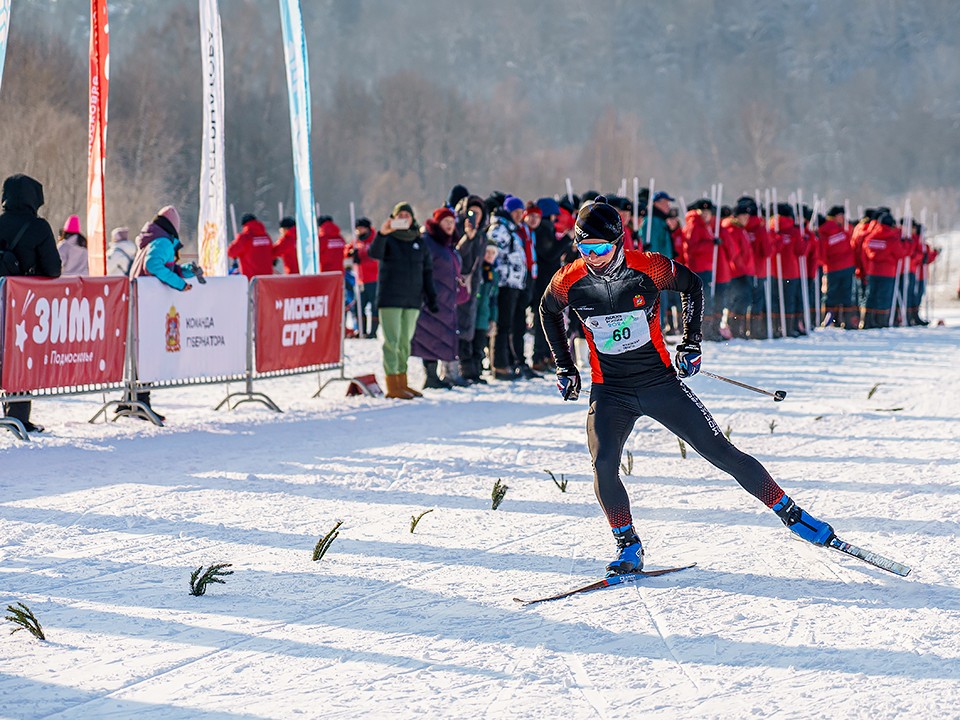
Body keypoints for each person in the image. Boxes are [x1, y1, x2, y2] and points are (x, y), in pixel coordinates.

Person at [539, 196, 836, 577]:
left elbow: (692, 286)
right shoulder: (569, 279)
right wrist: (565, 367)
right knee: (604, 464)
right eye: (585, 248)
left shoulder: (649, 267)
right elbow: (547, 312)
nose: (593, 257)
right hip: (609, 390)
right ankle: (627, 544)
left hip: (658, 382)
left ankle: (793, 514)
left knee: (720, 452)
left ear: (619, 242)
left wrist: (691, 342)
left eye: (601, 248)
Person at [0, 174, 62, 433]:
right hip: (21, 305)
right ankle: (18, 415)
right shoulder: (38, 227)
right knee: (19, 356)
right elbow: (53, 269)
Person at [127, 205, 198, 421]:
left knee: (139, 353)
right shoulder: (164, 242)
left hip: (140, 303)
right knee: (147, 353)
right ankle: (141, 401)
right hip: (148, 305)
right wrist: (179, 284)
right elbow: (153, 266)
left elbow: (163, 266)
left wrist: (186, 271)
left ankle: (132, 399)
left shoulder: (152, 240)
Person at [368, 202, 438, 399]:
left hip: (412, 300)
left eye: (407, 215)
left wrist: (431, 296)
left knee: (405, 342)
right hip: (391, 299)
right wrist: (382, 233)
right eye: (400, 215)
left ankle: (402, 381)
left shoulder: (419, 241)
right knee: (392, 341)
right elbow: (374, 253)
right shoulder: (388, 239)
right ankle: (392, 383)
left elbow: (427, 271)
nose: (404, 218)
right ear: (394, 218)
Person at [411, 207, 462, 389]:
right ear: (437, 223)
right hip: (431, 296)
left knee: (440, 335)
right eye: (445, 222)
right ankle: (430, 376)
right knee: (428, 335)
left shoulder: (446, 243)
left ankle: (437, 375)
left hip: (446, 297)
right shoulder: (429, 241)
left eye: (452, 222)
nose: (449, 226)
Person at [487, 195, 529, 380]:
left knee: (508, 325)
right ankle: (500, 365)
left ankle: (507, 362)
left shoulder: (511, 229)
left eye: (521, 212)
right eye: (516, 212)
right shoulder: (499, 229)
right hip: (504, 283)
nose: (519, 216)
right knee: (502, 325)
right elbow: (493, 253)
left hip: (513, 283)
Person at [454, 196, 488, 382]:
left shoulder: (482, 235)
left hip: (474, 285)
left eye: (478, 212)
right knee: (462, 326)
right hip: (460, 284)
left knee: (472, 326)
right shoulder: (460, 231)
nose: (475, 215)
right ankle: (464, 368)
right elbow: (458, 256)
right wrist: (468, 237)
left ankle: (473, 368)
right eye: (471, 212)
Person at [818, 206, 856, 328]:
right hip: (836, 267)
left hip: (840, 266)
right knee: (838, 293)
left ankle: (837, 320)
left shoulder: (843, 228)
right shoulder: (828, 230)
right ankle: (836, 320)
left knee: (836, 293)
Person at [346, 217, 380, 338]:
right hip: (360, 279)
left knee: (374, 306)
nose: (359, 231)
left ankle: (373, 332)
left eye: (361, 228)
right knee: (359, 306)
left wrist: (362, 256)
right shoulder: (357, 241)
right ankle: (362, 330)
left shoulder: (374, 239)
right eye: (357, 229)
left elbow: (375, 255)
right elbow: (346, 251)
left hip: (374, 278)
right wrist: (351, 253)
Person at [228, 213, 274, 279]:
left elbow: (231, 252)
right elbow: (272, 252)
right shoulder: (266, 237)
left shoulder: (244, 237)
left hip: (251, 280)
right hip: (267, 279)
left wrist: (235, 241)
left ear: (244, 225)